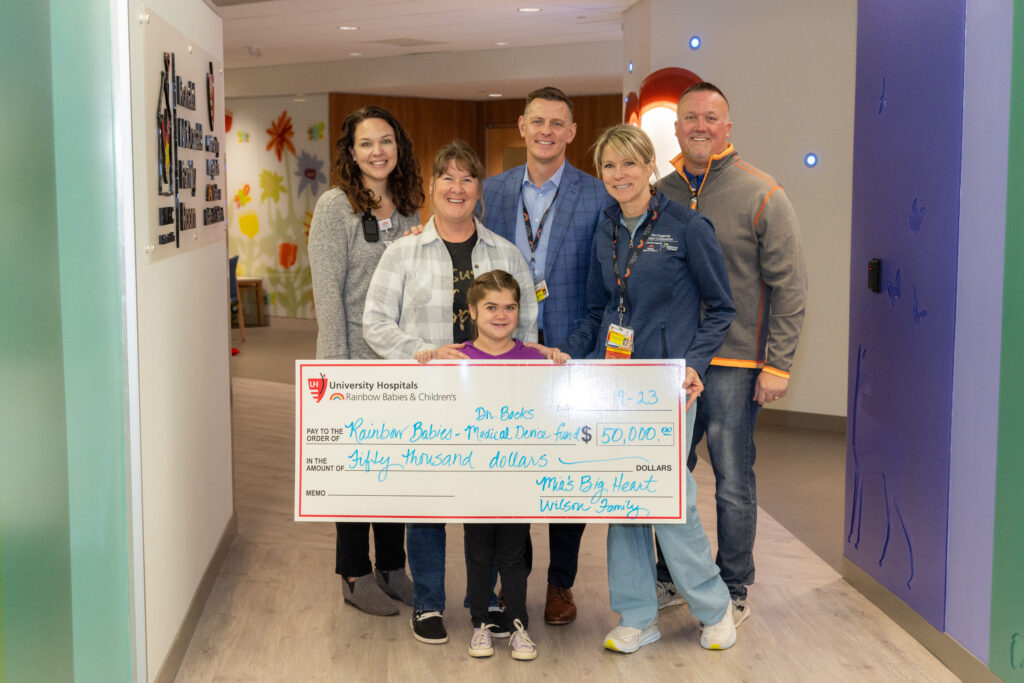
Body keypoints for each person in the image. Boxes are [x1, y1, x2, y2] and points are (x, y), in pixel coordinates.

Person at [559, 124, 737, 653]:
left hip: (666, 386)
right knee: (622, 500)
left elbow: (721, 305)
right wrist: (571, 353)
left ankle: (714, 606)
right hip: (611, 383)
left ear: (649, 166)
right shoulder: (605, 225)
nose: (619, 175)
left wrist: (695, 363)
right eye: (609, 166)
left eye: (628, 164)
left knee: (668, 499)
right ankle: (637, 613)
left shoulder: (686, 226)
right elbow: (597, 308)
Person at [362, 140, 538, 646]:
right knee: (428, 505)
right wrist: (424, 352)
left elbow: (526, 323)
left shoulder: (504, 252)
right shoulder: (403, 251)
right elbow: (375, 322)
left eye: (466, 179)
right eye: (447, 178)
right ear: (432, 188)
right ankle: (429, 603)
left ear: (479, 191)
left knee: (492, 506)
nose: (456, 187)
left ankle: (485, 600)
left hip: (493, 404)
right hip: (429, 399)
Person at [656, 82, 808, 625]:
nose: (700, 126)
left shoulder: (762, 193)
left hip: (736, 365)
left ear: (728, 127)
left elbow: (789, 286)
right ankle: (671, 575)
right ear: (676, 128)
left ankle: (733, 583)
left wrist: (779, 363)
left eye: (711, 118)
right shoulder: (661, 194)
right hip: (673, 364)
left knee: (733, 480)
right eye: (690, 117)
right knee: (666, 472)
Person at [480, 85, 612, 625]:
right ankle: (515, 581)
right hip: (503, 357)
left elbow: (601, 292)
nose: (547, 132)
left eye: (558, 124)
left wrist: (570, 350)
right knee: (512, 474)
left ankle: (560, 585)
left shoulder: (598, 194)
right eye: (538, 121)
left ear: (572, 133)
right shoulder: (492, 191)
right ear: (522, 125)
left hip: (569, 356)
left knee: (566, 481)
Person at [415, 270, 569, 661]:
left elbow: (555, 405)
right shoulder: (455, 359)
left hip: (517, 479)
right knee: (478, 552)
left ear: (520, 310)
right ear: (471, 311)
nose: (500, 315)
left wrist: (557, 359)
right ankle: (480, 624)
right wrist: (425, 359)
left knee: (514, 555)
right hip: (473, 480)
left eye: (510, 307)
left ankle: (517, 625)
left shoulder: (534, 357)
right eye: (491, 307)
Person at [308, 105, 422, 617]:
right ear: (351, 153)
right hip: (352, 364)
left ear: (398, 148)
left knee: (393, 469)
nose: (378, 151)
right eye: (366, 143)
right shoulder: (336, 207)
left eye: (386, 141)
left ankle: (392, 566)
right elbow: (327, 295)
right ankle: (354, 573)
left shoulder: (409, 208)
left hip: (399, 365)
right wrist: (333, 372)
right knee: (355, 473)